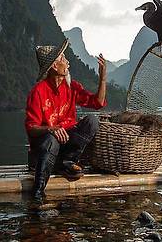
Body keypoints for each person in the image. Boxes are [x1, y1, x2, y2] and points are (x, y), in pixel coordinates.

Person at [25, 39, 107, 202]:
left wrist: (103, 79)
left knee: (92, 121)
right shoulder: (38, 92)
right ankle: (38, 193)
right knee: (51, 140)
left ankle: (67, 161)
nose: (67, 62)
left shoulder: (72, 87)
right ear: (55, 66)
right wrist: (51, 129)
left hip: (66, 144)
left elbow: (97, 103)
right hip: (46, 145)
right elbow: (31, 128)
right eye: (63, 59)